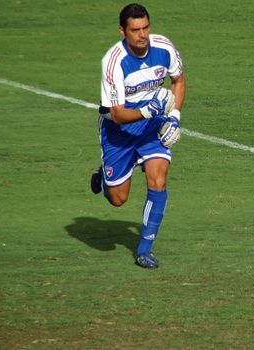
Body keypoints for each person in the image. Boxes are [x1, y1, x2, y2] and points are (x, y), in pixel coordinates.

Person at [91, 3, 186, 269]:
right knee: (118, 199)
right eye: (135, 30)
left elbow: (178, 80)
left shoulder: (164, 48)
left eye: (145, 28)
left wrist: (174, 117)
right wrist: (147, 110)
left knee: (158, 178)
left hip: (150, 127)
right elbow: (118, 114)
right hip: (118, 130)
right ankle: (107, 175)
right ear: (123, 31)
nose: (142, 35)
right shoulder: (113, 62)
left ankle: (144, 250)